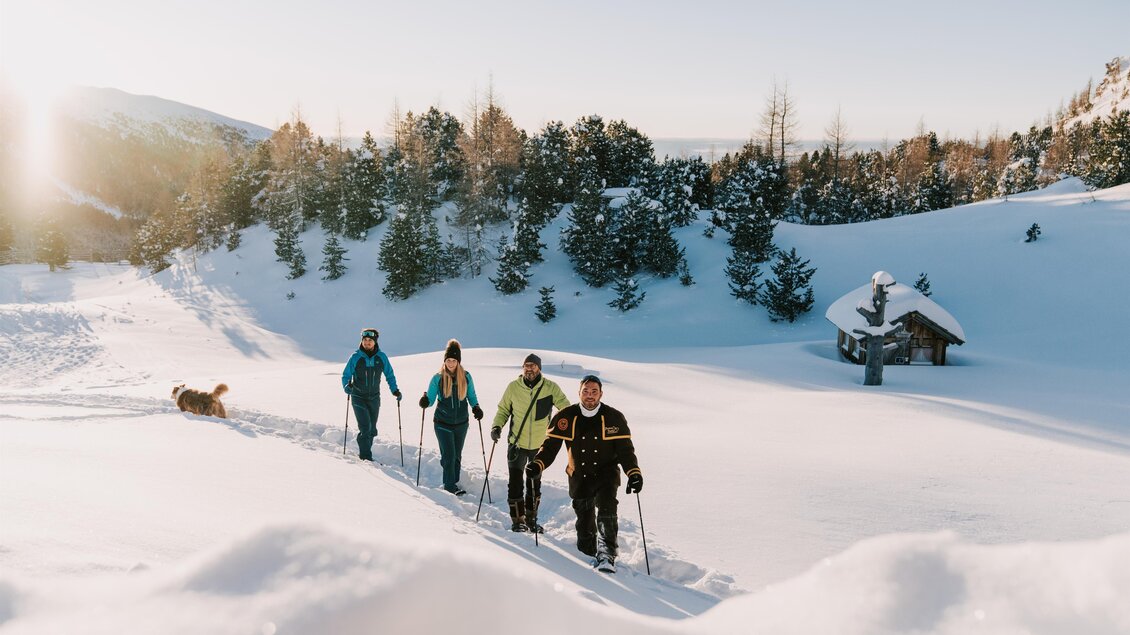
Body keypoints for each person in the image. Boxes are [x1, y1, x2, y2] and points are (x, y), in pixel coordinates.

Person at [526, 375, 642, 573]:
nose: (590, 395)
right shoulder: (565, 416)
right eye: (586, 391)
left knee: (607, 510)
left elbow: (625, 451)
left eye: (594, 391)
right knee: (585, 521)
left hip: (606, 475)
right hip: (579, 476)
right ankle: (587, 556)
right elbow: (550, 447)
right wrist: (538, 464)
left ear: (601, 394)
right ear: (579, 393)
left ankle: (607, 554)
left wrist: (633, 473)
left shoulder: (614, 417)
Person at [490, 353, 570, 533]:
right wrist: (496, 426)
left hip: (540, 446)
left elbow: (565, 408)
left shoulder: (550, 388)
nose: (529, 369)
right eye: (526, 365)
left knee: (534, 484)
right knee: (515, 483)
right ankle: (517, 520)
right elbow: (503, 410)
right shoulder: (513, 388)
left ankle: (531, 519)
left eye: (533, 366)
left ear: (539, 368)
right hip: (517, 444)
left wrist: (565, 427)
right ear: (523, 368)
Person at [419, 339, 483, 495]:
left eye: (454, 360)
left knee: (456, 457)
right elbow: (431, 399)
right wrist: (425, 401)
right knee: (449, 456)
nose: (451, 363)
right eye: (448, 360)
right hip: (442, 423)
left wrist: (476, 407)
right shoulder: (438, 378)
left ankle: (452, 481)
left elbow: (471, 395)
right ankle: (449, 488)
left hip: (461, 423)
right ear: (445, 361)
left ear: (458, 361)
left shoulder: (466, 377)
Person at [341, 328, 401, 461]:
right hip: (358, 396)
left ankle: (366, 453)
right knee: (365, 428)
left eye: (370, 340)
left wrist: (395, 390)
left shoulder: (381, 357)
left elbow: (389, 375)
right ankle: (366, 457)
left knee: (372, 430)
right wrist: (347, 386)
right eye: (365, 340)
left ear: (375, 342)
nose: (367, 342)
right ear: (362, 341)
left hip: (374, 397)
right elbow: (346, 375)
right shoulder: (355, 357)